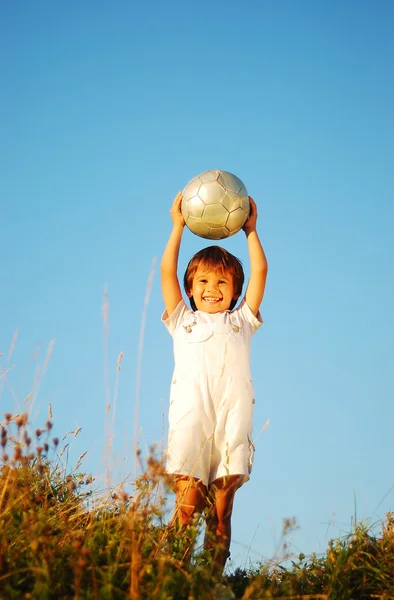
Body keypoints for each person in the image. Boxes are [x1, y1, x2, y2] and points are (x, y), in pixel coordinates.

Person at [160, 191, 268, 574]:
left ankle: (209, 583)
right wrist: (177, 228)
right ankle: (173, 577)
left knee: (220, 514)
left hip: (231, 426)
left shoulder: (241, 322)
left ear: (235, 292)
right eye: (203, 281)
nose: (212, 288)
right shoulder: (182, 322)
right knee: (187, 507)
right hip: (192, 424)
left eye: (223, 283)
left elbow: (261, 274)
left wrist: (251, 232)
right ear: (190, 289)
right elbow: (166, 273)